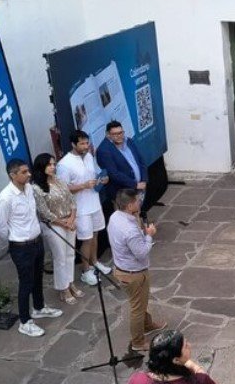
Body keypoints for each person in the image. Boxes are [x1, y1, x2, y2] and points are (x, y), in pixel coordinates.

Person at [0, 159, 62, 338]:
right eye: (24, 172)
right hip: (21, 247)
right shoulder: (6, 198)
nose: (29, 174)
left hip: (37, 241)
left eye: (28, 171)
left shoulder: (29, 189)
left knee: (38, 277)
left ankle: (39, 307)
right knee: (26, 283)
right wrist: (16, 238)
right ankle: (25, 322)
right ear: (13, 175)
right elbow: (0, 227)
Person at [108, 189, 166, 353]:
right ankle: (138, 342)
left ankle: (147, 325)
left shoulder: (115, 216)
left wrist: (138, 219)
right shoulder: (129, 229)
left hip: (124, 268)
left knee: (142, 301)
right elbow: (141, 253)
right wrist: (149, 235)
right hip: (133, 273)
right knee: (137, 309)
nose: (140, 201)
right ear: (129, 205)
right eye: (137, 200)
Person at [57, 130, 111, 287]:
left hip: (94, 203)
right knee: (86, 239)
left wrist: (103, 179)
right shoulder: (64, 164)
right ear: (73, 144)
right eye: (82, 143)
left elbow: (96, 173)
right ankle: (85, 271)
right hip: (80, 209)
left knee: (95, 235)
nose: (86, 146)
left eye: (87, 143)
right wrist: (83, 186)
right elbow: (63, 189)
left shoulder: (88, 156)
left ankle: (95, 263)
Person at [31, 153, 81, 305]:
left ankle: (70, 282)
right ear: (41, 167)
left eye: (54, 164)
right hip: (54, 225)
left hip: (69, 220)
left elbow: (71, 200)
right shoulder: (37, 188)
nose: (52, 167)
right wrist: (64, 223)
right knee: (60, 257)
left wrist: (72, 218)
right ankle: (63, 288)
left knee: (70, 254)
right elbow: (44, 212)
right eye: (49, 165)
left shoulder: (59, 180)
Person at [96, 120, 148, 211]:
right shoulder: (103, 150)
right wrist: (135, 184)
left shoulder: (129, 141)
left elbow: (141, 161)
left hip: (140, 188)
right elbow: (113, 173)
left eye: (121, 133)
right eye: (115, 134)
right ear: (108, 134)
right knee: (125, 218)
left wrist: (144, 180)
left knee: (137, 213)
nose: (119, 136)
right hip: (122, 193)